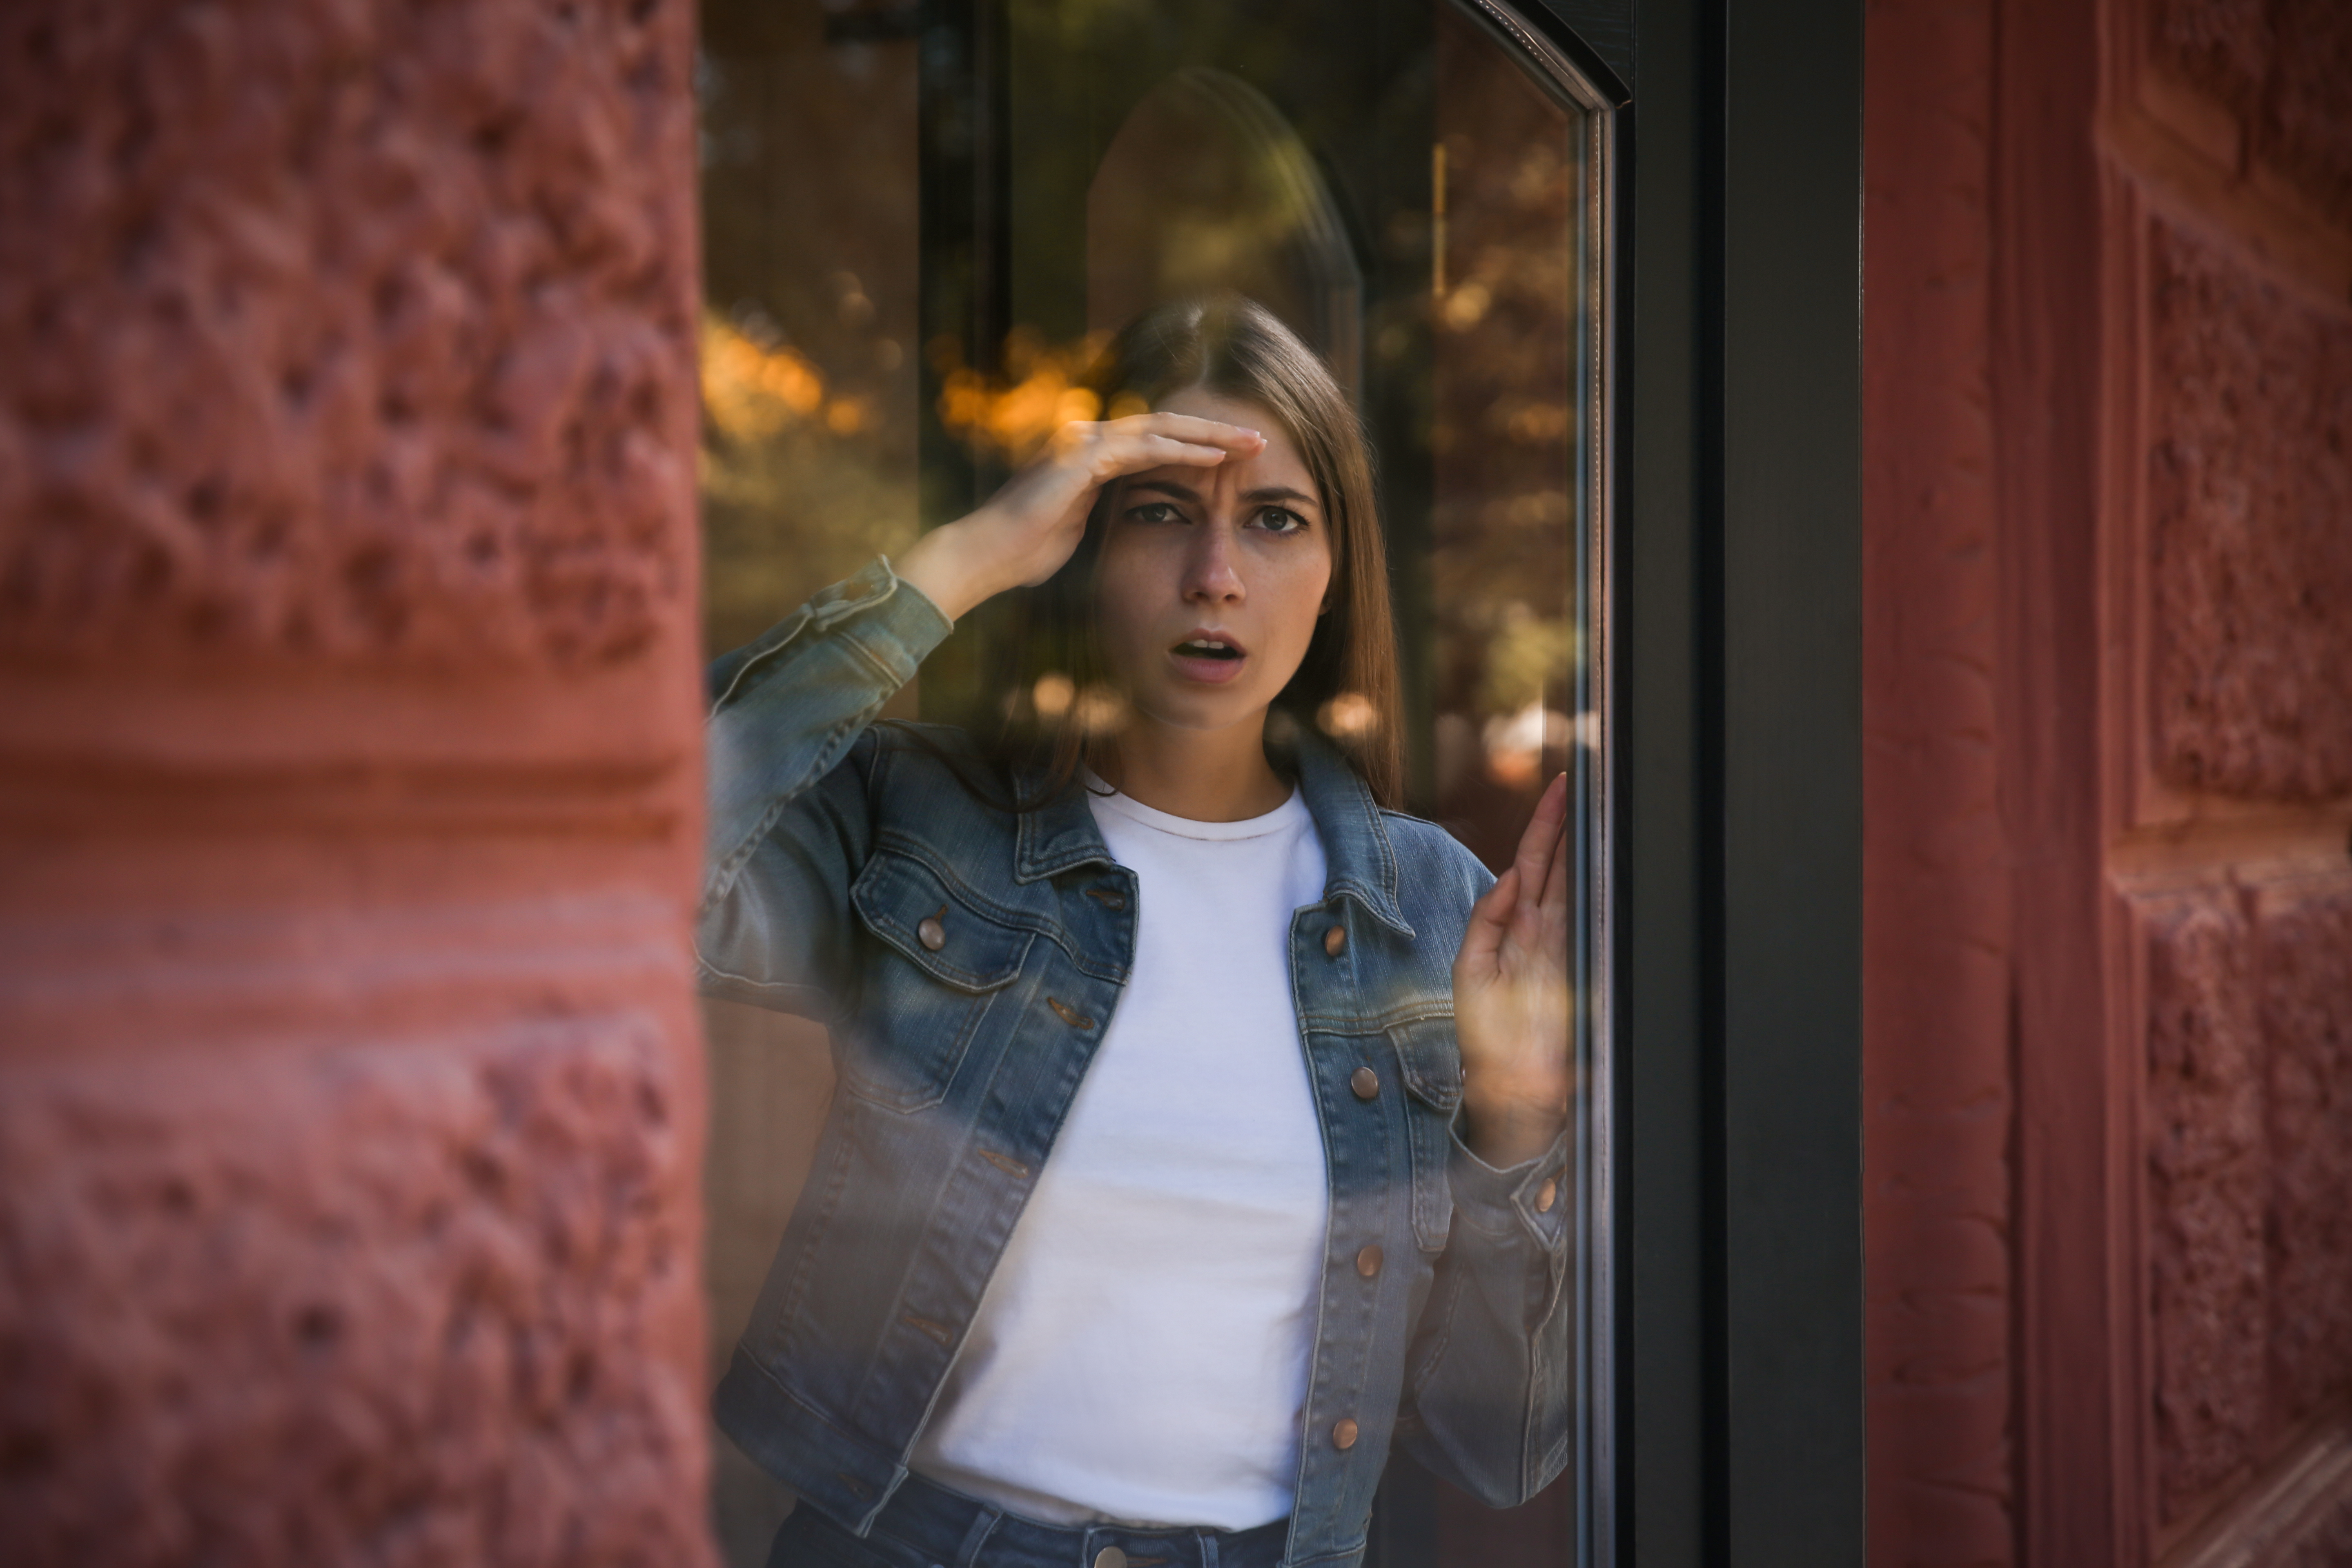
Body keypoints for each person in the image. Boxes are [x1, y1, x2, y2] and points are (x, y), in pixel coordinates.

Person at [699, 295, 1573, 1568]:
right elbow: (641, 885)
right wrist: (962, 563)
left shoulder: (1435, 911)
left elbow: (1501, 1446)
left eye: (1276, 521)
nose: (1214, 575)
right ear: (1084, 550)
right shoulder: (928, 823)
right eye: (1160, 513)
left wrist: (1515, 1119)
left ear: (1334, 578)